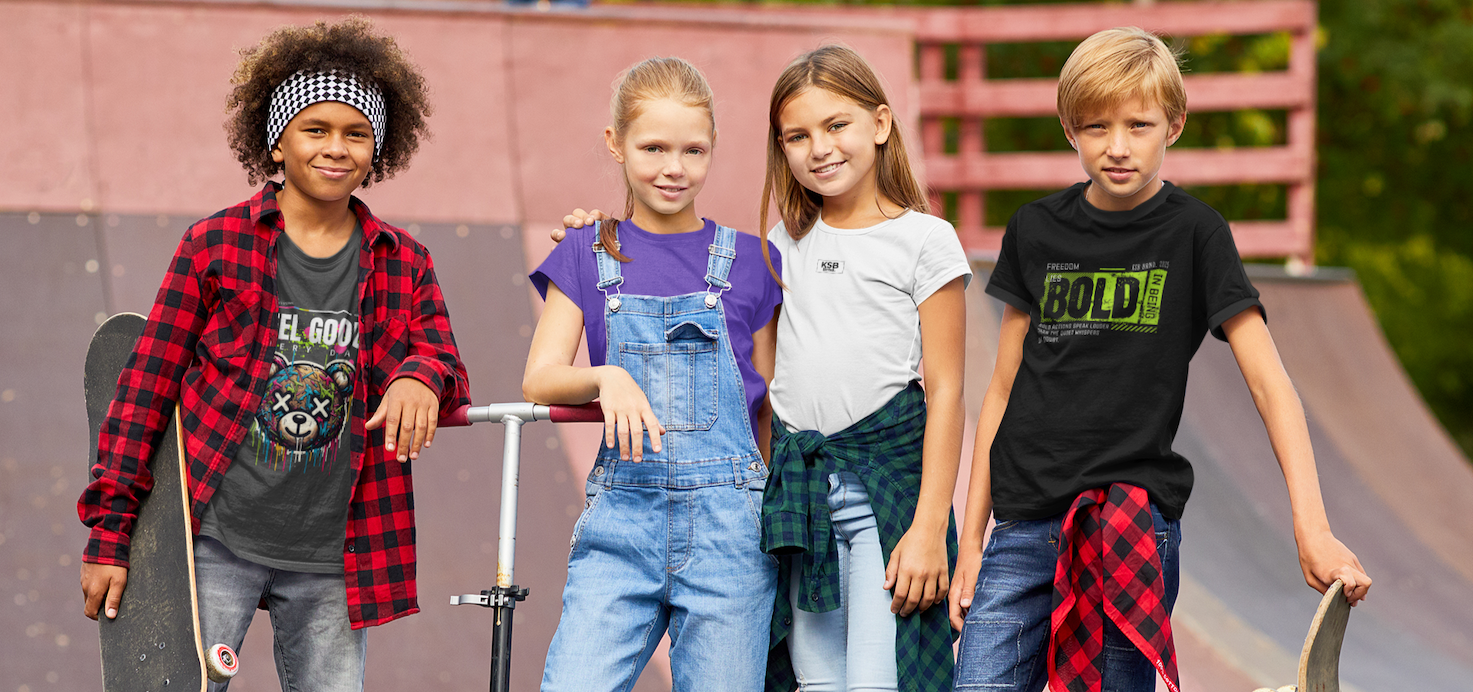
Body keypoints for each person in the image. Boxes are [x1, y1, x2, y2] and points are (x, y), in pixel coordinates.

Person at [947, 27, 1372, 692]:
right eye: (1094, 127)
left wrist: (1311, 529)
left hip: (1131, 522)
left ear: (1172, 125)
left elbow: (1269, 385)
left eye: (1137, 125)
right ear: (1068, 127)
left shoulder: (1195, 233)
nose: (1116, 147)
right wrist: (971, 541)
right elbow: (1000, 389)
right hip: (1024, 526)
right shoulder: (1034, 230)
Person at [562, 44, 970, 692]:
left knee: (877, 677)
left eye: (836, 126)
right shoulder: (778, 247)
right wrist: (597, 232)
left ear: (882, 124)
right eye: (796, 136)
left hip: (885, 491)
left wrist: (926, 526)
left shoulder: (924, 240)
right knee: (813, 677)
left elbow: (946, 391)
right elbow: (761, 378)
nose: (819, 148)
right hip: (800, 496)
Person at [77, 17, 469, 691]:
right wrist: (110, 536)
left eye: (356, 133)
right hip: (211, 539)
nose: (336, 149)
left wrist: (419, 377)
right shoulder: (216, 245)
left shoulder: (404, 261)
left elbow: (442, 356)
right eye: (314, 129)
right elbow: (144, 389)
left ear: (380, 147)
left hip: (334, 554)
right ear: (276, 140)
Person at [523, 56, 783, 692]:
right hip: (624, 523)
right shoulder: (586, 249)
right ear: (616, 145)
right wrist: (605, 378)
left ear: (714, 148)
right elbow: (540, 378)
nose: (674, 167)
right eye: (653, 147)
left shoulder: (755, 260)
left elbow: (771, 407)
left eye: (693, 150)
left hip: (733, 535)